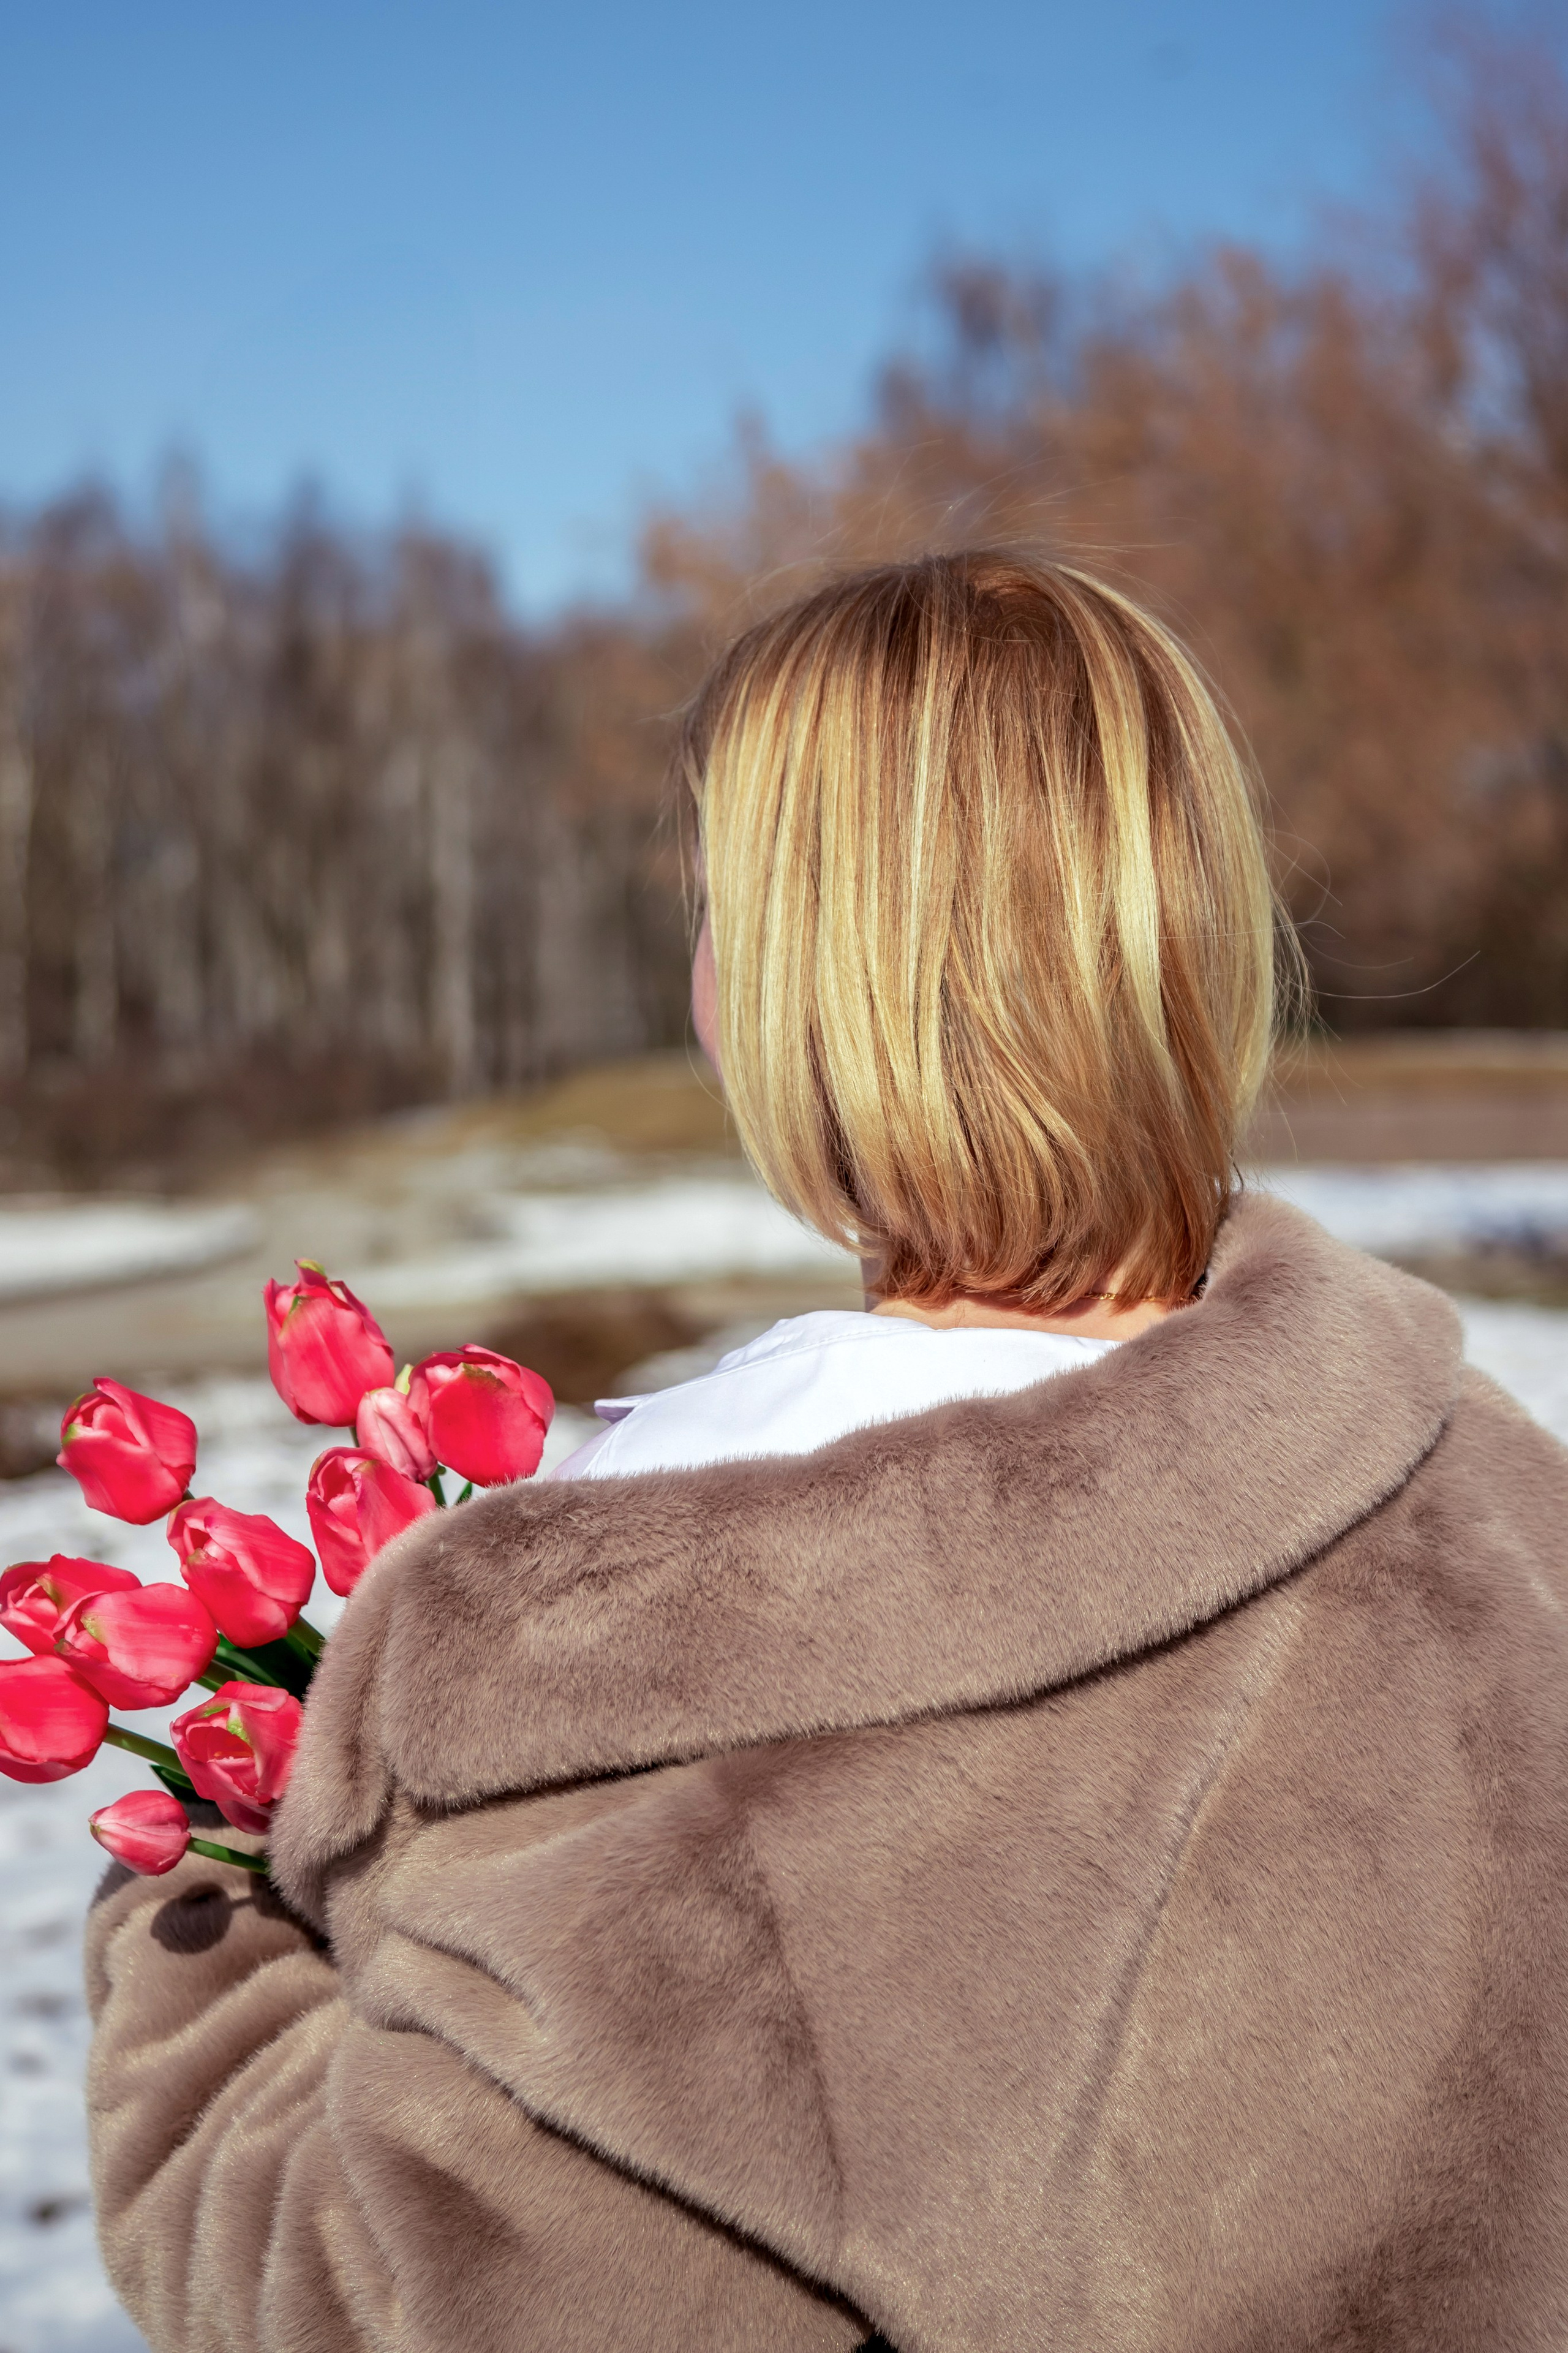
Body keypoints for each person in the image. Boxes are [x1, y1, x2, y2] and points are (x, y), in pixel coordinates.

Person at [86, 553, 1568, 2352]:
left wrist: (196, 1935)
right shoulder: (1498, 1498)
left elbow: (379, 2291)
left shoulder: (633, 1635)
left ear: (798, 988)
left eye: (725, 913)